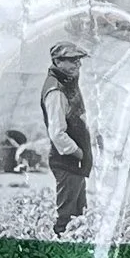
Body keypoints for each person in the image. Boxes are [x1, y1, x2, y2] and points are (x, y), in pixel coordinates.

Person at [39, 42, 92, 237]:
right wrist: (79, 153)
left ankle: (74, 247)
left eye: (78, 60)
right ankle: (60, 246)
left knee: (79, 213)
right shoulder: (56, 91)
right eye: (72, 60)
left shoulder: (67, 82)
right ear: (57, 61)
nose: (78, 64)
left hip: (74, 162)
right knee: (66, 217)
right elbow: (57, 134)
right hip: (67, 161)